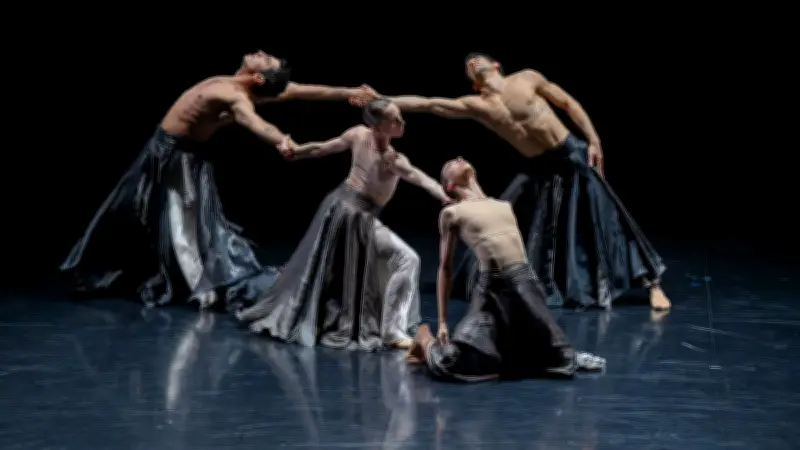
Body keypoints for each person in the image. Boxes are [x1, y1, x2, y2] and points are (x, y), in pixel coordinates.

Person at [351, 54, 670, 311]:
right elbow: (429, 103)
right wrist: (382, 98)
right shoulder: (476, 105)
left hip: (570, 154)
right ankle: (496, 278)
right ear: (474, 83)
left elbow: (568, 103)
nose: (472, 62)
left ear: (496, 65)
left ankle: (652, 285)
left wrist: (594, 139)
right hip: (539, 168)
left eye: (478, 59)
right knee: (511, 216)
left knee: (607, 218)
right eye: (468, 65)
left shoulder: (527, 78)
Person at [62, 51, 368, 311]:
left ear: (257, 77)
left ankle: (200, 288)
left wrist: (281, 141)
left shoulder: (235, 96)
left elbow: (255, 122)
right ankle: (136, 271)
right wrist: (350, 91)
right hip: (161, 150)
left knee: (182, 223)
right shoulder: (234, 83)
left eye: (265, 60)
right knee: (140, 212)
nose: (261, 53)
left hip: (178, 157)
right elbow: (305, 90)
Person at [236, 98, 452, 351]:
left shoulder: (370, 141)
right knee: (408, 259)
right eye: (394, 120)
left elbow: (421, 178)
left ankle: (386, 325)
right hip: (352, 213)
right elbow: (323, 148)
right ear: (377, 127)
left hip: (338, 207)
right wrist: (297, 151)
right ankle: (392, 332)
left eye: (400, 116)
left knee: (346, 267)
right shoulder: (384, 154)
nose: (401, 122)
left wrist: (444, 196)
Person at [406, 157, 606, 382]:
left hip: (525, 283)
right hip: (492, 290)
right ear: (450, 186)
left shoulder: (503, 205)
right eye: (451, 163)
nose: (459, 158)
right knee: (451, 362)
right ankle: (424, 338)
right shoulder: (453, 213)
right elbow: (445, 267)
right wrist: (442, 322)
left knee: (561, 361)